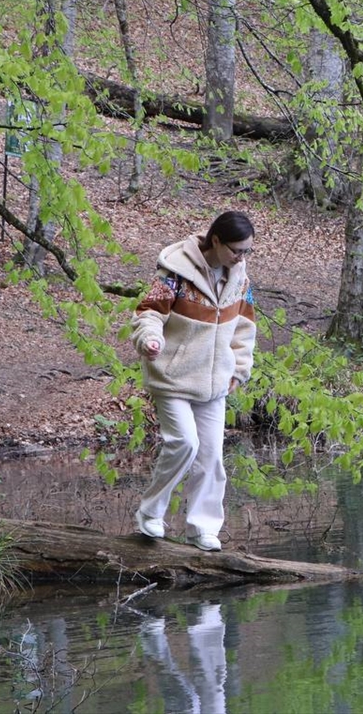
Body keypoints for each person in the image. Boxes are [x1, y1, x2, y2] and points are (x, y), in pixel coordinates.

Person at [129, 211, 258, 551]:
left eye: (247, 251)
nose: (241, 257)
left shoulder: (241, 280)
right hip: (172, 378)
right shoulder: (175, 273)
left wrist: (238, 370)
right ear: (216, 241)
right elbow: (148, 313)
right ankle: (150, 514)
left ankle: (202, 529)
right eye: (236, 250)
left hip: (214, 384)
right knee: (184, 443)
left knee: (212, 456)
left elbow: (245, 329)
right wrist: (149, 340)